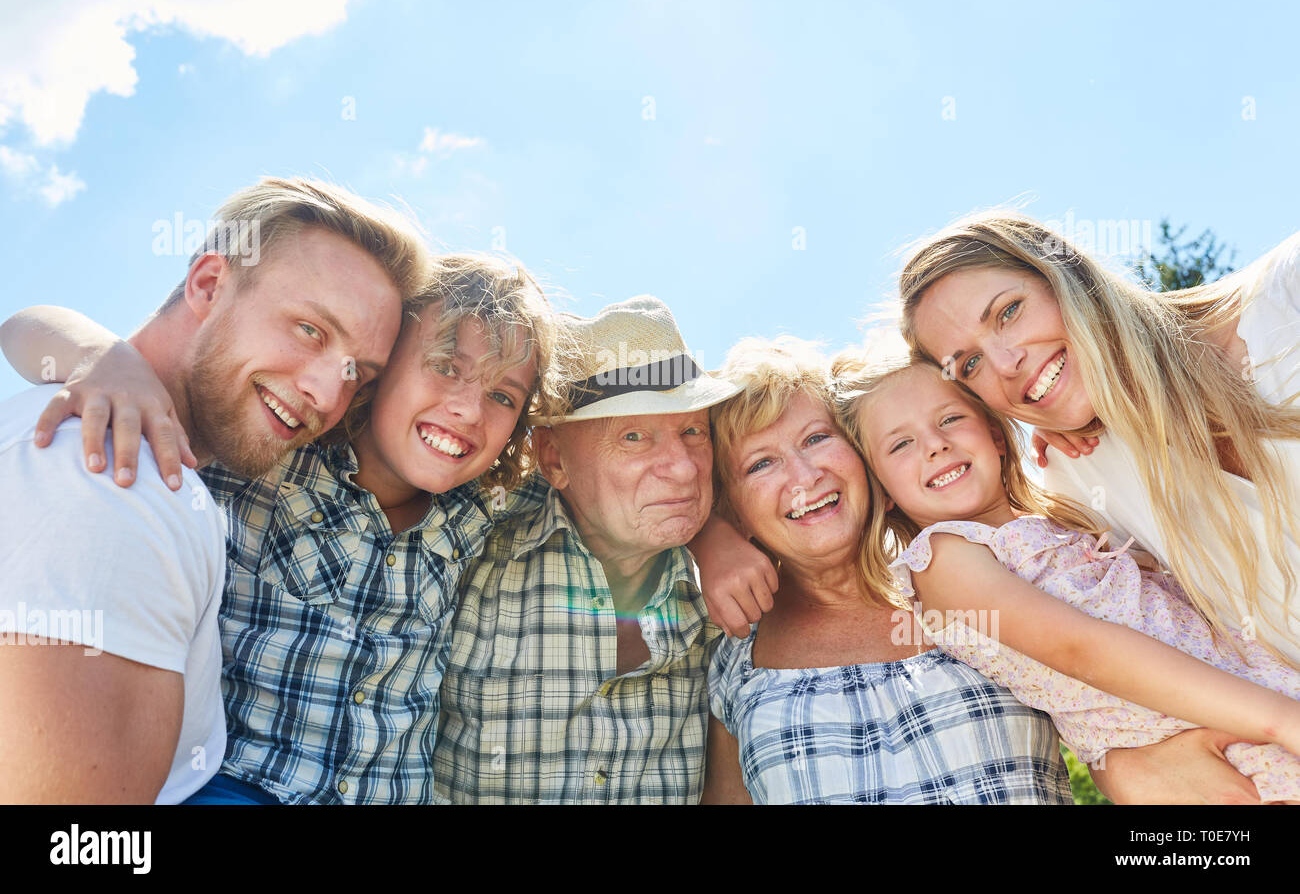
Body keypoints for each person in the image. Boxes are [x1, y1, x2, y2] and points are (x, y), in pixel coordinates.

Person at [2, 253, 558, 804]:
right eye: (445, 366)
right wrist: (105, 357)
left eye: (502, 395)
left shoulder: (485, 506)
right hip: (242, 784)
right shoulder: (271, 450)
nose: (467, 410)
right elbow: (23, 327)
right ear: (376, 367)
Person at [0, 176, 429, 802]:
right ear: (209, 285)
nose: (328, 396)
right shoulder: (117, 485)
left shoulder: (121, 441)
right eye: (310, 330)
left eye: (356, 374)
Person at [842, 356, 1300, 802]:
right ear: (881, 493)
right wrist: (1279, 719)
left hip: (1246, 685)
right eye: (900, 444)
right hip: (1180, 730)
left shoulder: (1059, 520)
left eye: (951, 419)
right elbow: (1077, 647)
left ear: (997, 436)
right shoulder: (943, 556)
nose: (935, 445)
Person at [700, 337, 1072, 804]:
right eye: (761, 464)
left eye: (816, 438)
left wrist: (1062, 427)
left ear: (865, 455)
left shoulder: (987, 567)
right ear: (733, 511)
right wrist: (704, 537)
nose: (804, 476)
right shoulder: (734, 659)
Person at [434, 295, 740, 803]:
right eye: (635, 436)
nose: (684, 468)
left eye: (692, 432)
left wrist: (720, 535)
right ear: (553, 459)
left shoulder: (729, 602)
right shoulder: (468, 549)